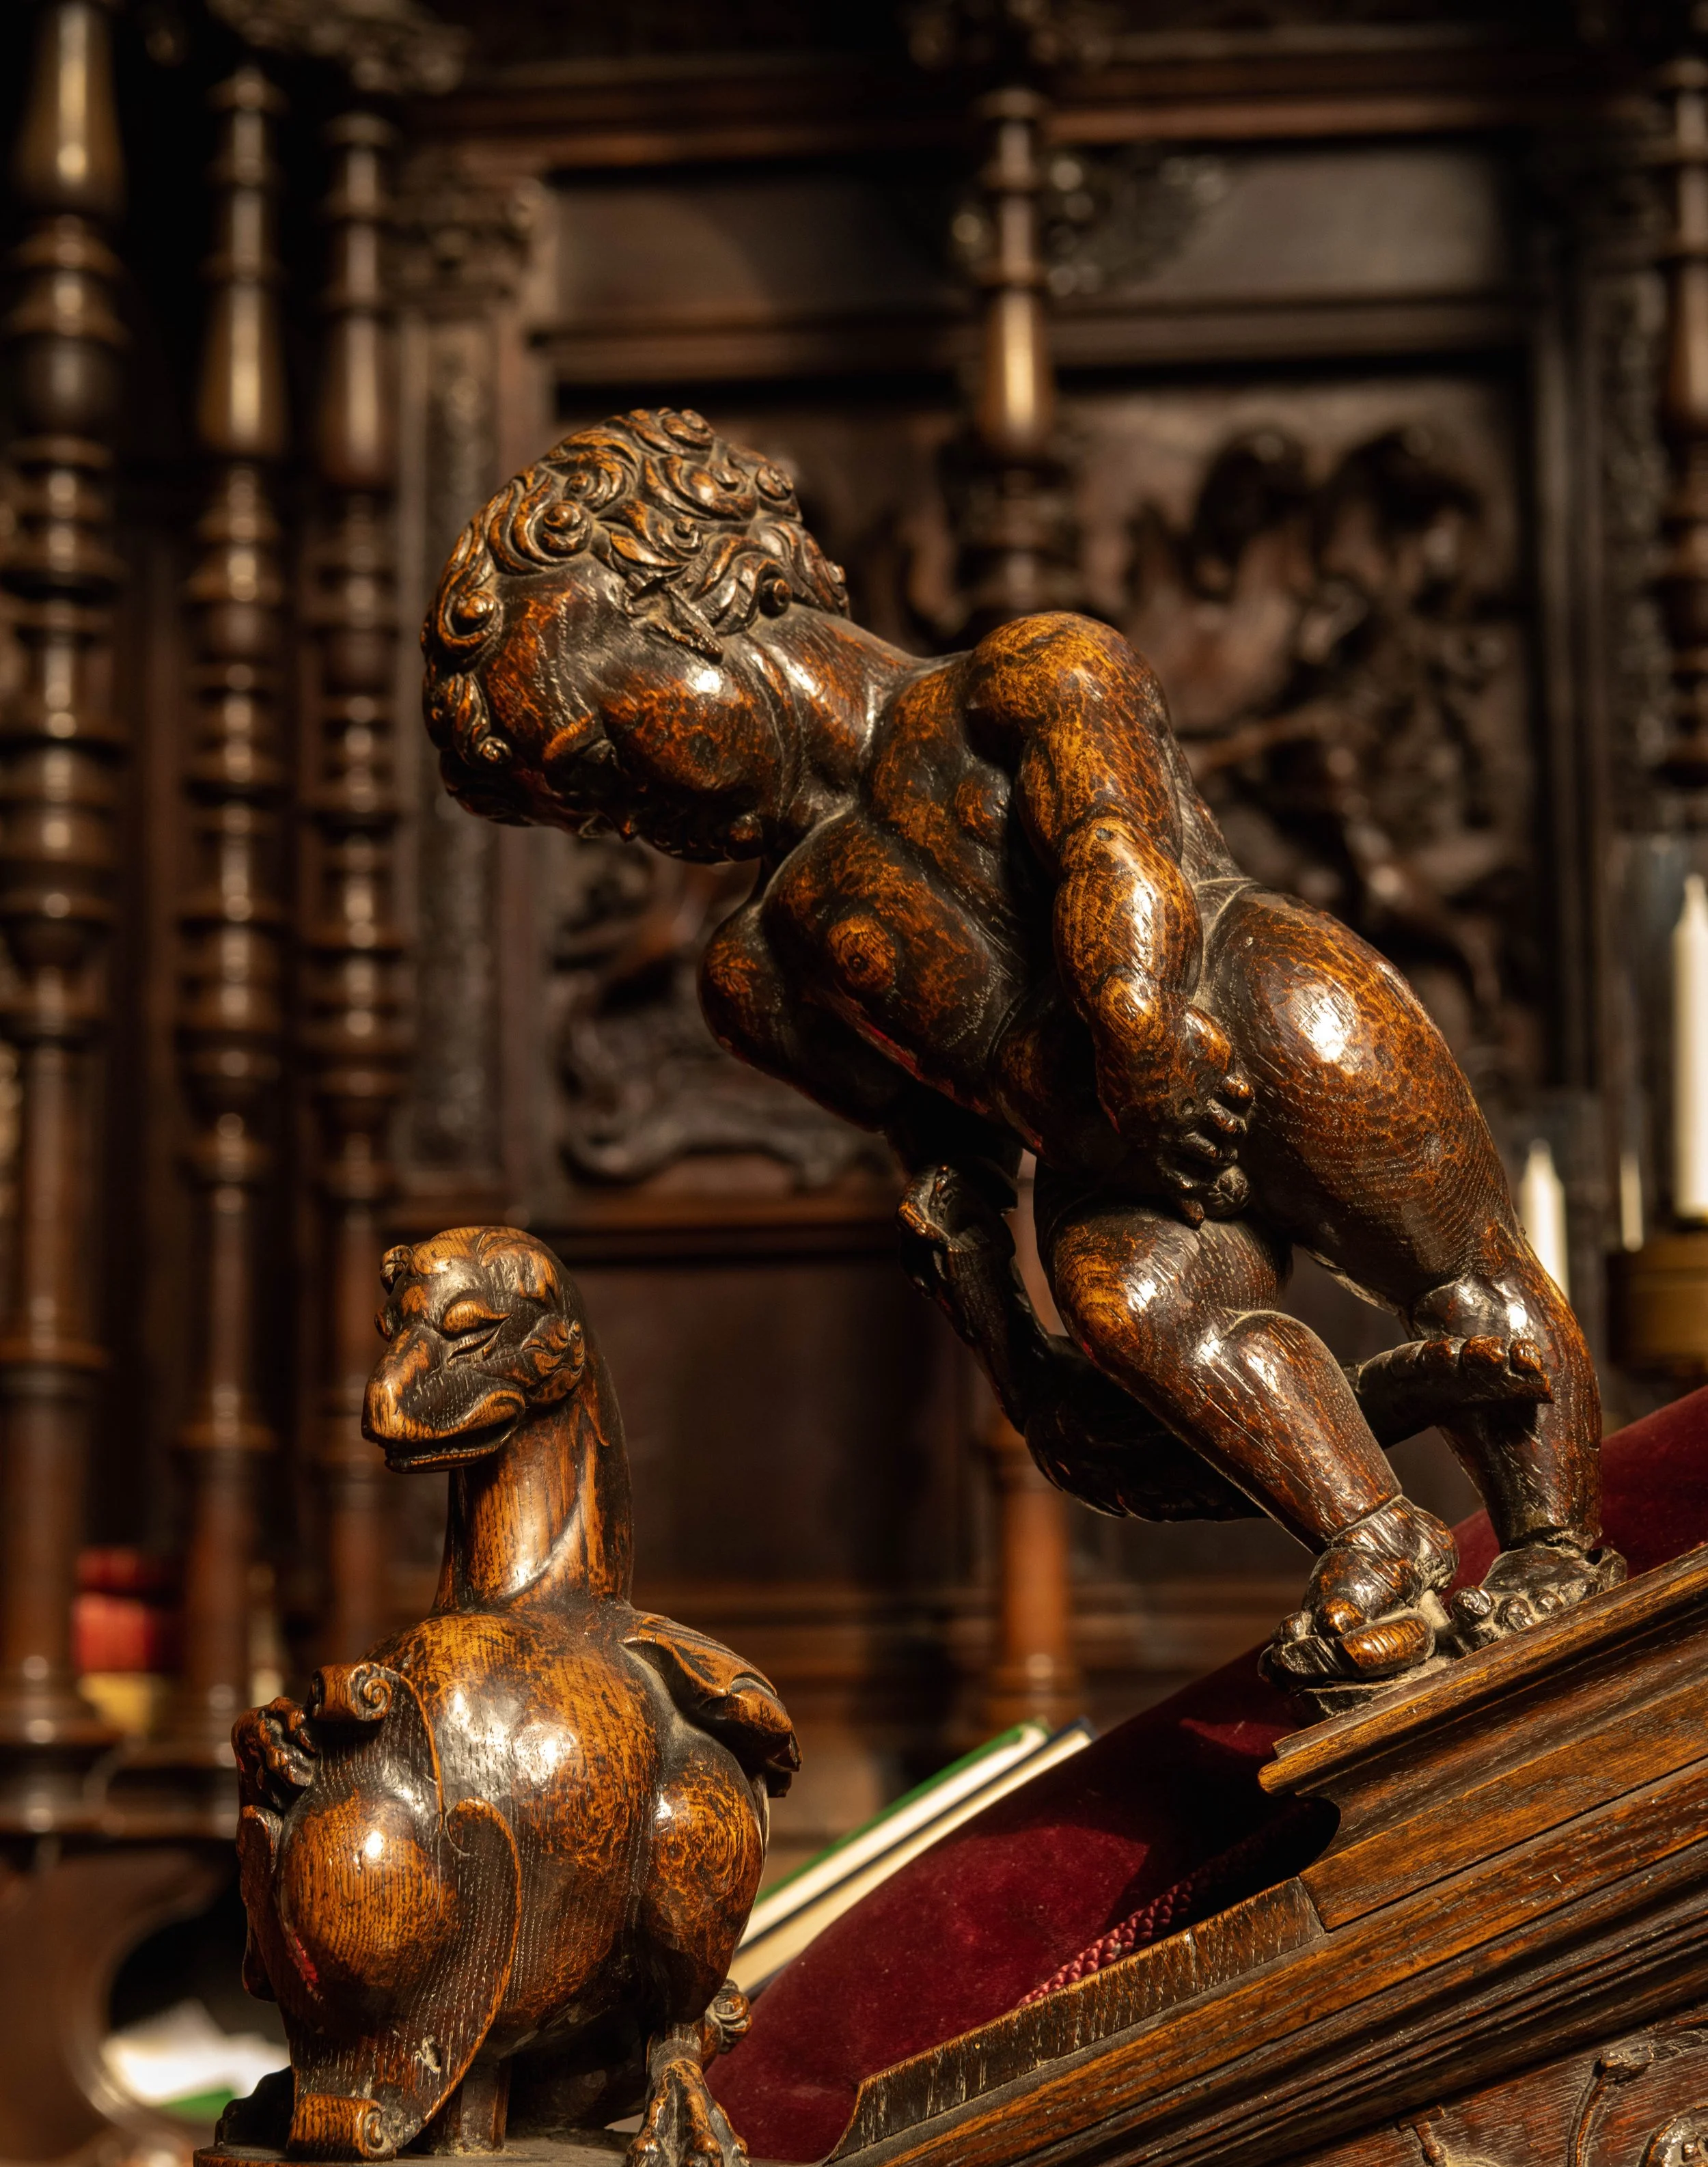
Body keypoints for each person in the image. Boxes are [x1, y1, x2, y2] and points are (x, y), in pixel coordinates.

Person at [422, 406, 1621, 1689]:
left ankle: (1557, 1545)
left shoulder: (1022, 681)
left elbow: (1116, 846)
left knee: (1457, 1263)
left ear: (708, 585)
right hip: (1097, 1156)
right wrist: (1006, 1334)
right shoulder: (757, 966)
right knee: (1135, 1298)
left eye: (600, 749)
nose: (632, 815)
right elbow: (942, 1153)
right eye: (592, 816)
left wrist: (1141, 1025)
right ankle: (1375, 1542)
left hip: (1252, 1003)